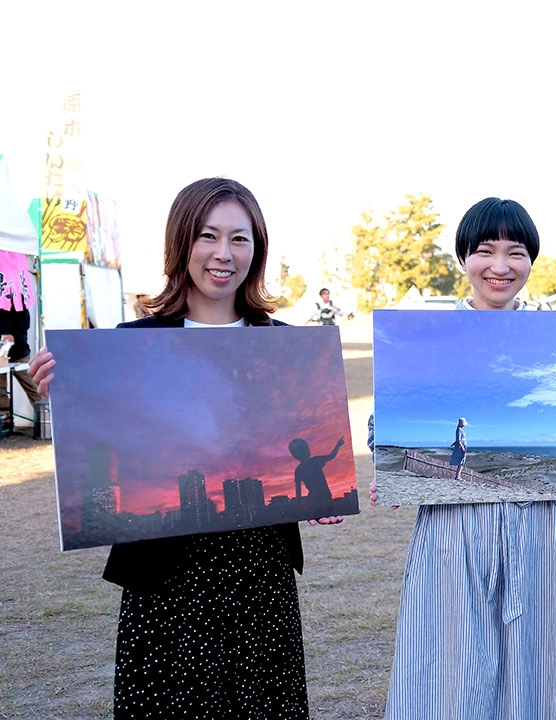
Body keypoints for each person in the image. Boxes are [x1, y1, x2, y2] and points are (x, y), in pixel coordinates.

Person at [29, 177, 342, 719]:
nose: (223, 254)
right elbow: (105, 452)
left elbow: (304, 454)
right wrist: (59, 393)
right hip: (163, 579)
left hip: (259, 576)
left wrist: (322, 498)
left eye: (240, 239)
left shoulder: (287, 346)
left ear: (257, 249)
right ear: (181, 244)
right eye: (207, 236)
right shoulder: (126, 345)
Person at [370, 197, 556, 719]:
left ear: (531, 260)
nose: (500, 267)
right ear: (462, 258)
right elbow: (385, 422)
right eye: (484, 251)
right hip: (452, 527)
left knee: (545, 658)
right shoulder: (425, 340)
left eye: (515, 252)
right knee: (449, 664)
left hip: (542, 526)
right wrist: (383, 467)